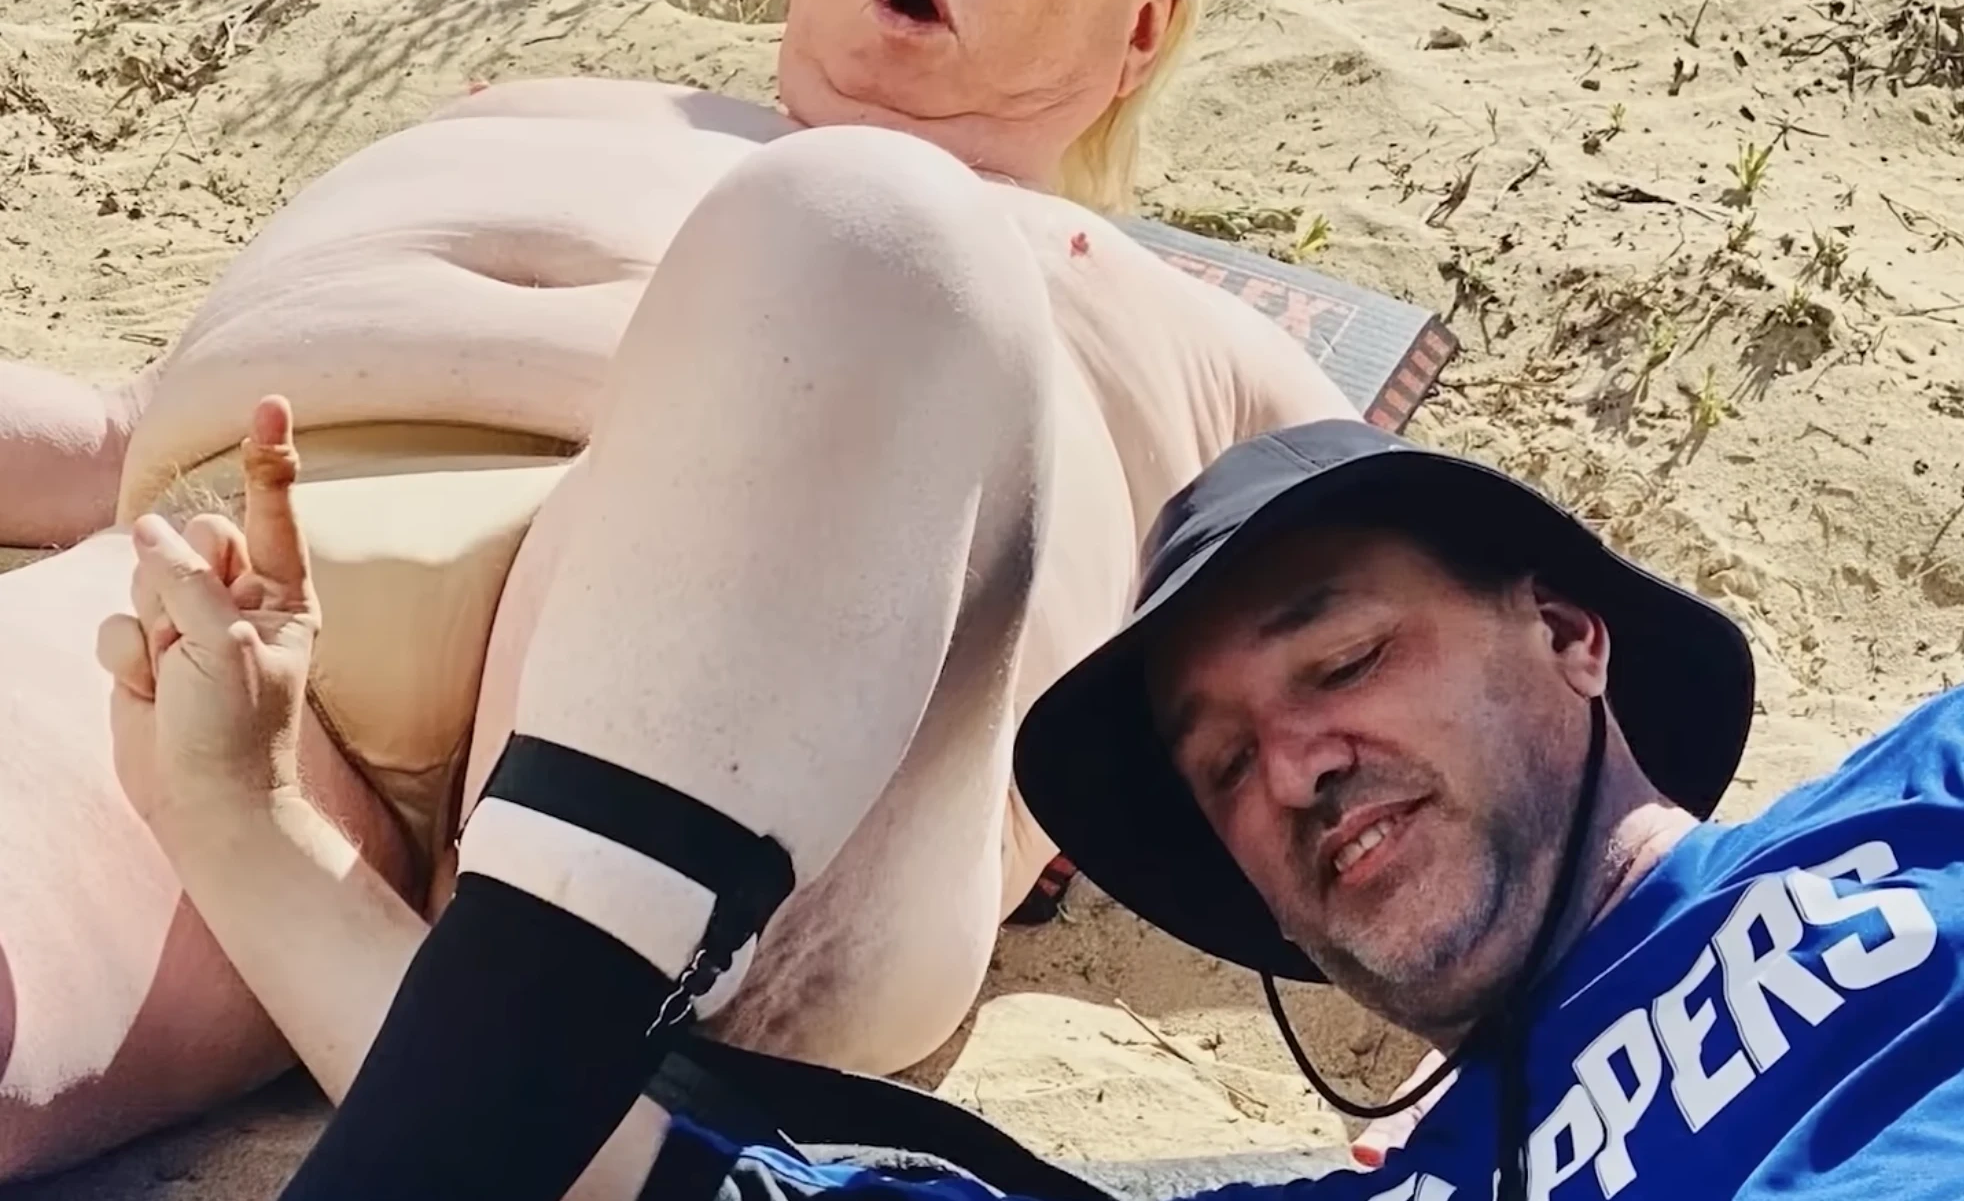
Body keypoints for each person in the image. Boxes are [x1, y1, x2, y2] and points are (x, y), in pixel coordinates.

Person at [0, 0, 1372, 1181]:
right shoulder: (557, 102)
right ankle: (418, 1016)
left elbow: (1403, 627)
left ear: (1142, 26)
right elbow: (115, 429)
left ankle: (488, 1062)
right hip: (240, 571)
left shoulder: (1196, 332)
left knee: (879, 231)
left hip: (792, 662)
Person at [119, 411, 1956, 1198]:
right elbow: (600, 1157)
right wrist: (240, 818)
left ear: (1568, 631)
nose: (1292, 767)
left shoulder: (1918, 805)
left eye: (1339, 661)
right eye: (1221, 766)